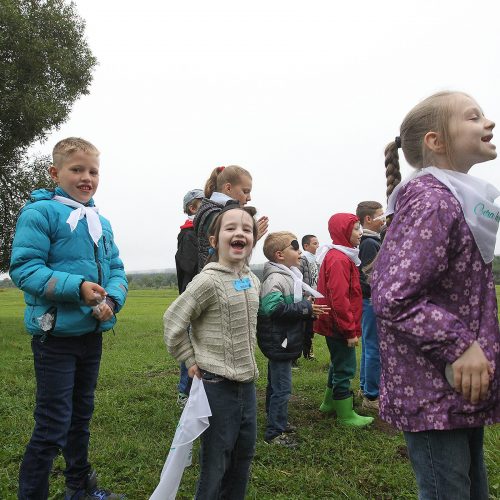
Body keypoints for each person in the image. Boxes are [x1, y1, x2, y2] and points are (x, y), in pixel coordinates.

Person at [371, 91, 500, 500]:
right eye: (473, 116)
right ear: (436, 141)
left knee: (471, 488)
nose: (489, 123)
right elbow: (394, 296)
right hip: (431, 387)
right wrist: (461, 345)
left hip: (454, 384)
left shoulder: (454, 198)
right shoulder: (433, 201)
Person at [10, 137, 128, 500]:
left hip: (90, 334)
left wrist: (112, 299)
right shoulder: (40, 213)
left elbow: (116, 269)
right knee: (52, 423)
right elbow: (25, 269)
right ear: (54, 172)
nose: (86, 177)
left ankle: (79, 486)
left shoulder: (101, 221)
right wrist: (77, 288)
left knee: (81, 417)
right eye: (76, 169)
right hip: (55, 337)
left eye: (93, 171)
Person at [164, 205, 260, 500]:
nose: (239, 233)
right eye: (230, 228)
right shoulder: (208, 281)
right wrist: (190, 359)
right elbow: (173, 321)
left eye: (247, 229)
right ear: (213, 239)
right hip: (217, 387)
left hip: (248, 385)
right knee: (216, 462)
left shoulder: (253, 280)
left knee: (242, 458)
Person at [257, 232, 328, 446]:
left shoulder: (290, 276)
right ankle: (275, 433)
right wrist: (305, 308)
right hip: (280, 340)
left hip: (283, 339)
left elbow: (290, 307)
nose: (299, 252)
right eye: (295, 248)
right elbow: (272, 307)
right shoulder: (276, 278)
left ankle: (275, 419)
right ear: (280, 255)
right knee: (282, 388)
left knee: (275, 384)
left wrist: (306, 308)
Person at [314, 214, 374, 427]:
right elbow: (339, 299)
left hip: (334, 323)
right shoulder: (339, 259)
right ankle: (346, 414)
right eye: (356, 229)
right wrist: (350, 331)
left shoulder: (339, 255)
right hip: (339, 325)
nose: (361, 233)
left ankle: (329, 404)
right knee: (346, 367)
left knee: (337, 363)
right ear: (343, 232)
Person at [194, 165, 268, 271]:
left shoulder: (212, 210)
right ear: (228, 188)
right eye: (245, 191)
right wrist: (252, 238)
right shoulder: (214, 214)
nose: (249, 198)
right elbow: (227, 252)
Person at [174, 188, 204, 407]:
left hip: (203, 295)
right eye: (203, 203)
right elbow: (187, 264)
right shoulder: (188, 233)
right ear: (193, 208)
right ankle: (185, 392)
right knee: (192, 344)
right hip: (193, 296)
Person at [355, 201, 385, 410]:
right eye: (381, 215)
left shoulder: (371, 240)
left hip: (368, 301)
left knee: (369, 346)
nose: (384, 219)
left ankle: (366, 387)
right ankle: (372, 396)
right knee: (374, 348)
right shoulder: (369, 243)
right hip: (372, 301)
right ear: (368, 219)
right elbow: (370, 276)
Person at [298, 234, 320, 360]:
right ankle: (295, 356)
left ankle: (309, 354)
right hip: (305, 298)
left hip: (314, 297)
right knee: (301, 327)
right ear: (306, 246)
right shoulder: (302, 259)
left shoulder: (315, 259)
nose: (318, 246)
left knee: (310, 328)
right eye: (315, 243)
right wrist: (305, 296)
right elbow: (300, 280)